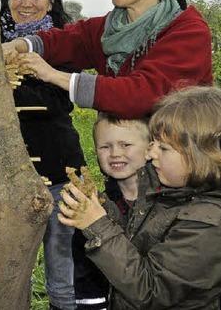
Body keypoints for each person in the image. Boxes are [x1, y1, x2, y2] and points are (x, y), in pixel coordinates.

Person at [59, 86, 221, 309]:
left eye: (163, 149)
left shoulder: (213, 226)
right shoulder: (178, 191)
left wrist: (97, 225)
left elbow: (150, 290)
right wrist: (102, 208)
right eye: (152, 143)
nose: (150, 153)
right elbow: (137, 241)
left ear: (201, 156)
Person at [3, 0, 212, 119]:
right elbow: (66, 40)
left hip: (183, 153)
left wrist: (54, 75)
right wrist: (18, 45)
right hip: (127, 153)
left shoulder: (188, 31)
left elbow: (142, 94)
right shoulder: (108, 28)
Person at [0, 0, 86, 310]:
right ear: (7, 1)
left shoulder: (64, 45)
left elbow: (61, 99)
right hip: (4, 173)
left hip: (58, 166)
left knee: (61, 265)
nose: (26, 2)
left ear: (50, 2)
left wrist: (23, 78)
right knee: (9, 267)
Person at [71, 113, 151, 309]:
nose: (115, 153)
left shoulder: (168, 202)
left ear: (150, 149)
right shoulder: (94, 207)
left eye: (126, 145)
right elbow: (86, 273)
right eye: (105, 147)